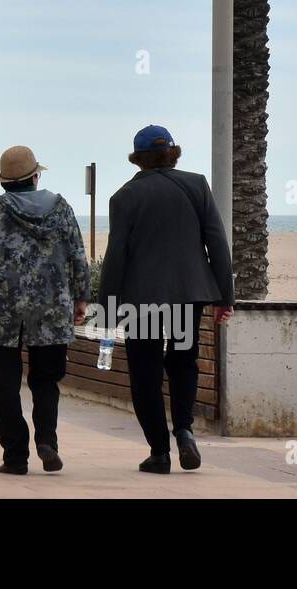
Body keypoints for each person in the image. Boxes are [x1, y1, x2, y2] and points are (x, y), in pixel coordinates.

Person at [95, 125, 234, 475]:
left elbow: (116, 257)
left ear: (138, 159)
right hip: (189, 295)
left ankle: (159, 451)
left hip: (143, 301)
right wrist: (224, 298)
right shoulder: (197, 185)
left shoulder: (124, 197)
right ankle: (184, 430)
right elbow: (216, 242)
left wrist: (107, 309)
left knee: (145, 373)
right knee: (184, 362)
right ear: (173, 153)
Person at [0, 146, 90, 476]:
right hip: (52, 311)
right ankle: (47, 441)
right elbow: (78, 258)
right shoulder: (62, 209)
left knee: (5, 385)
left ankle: (16, 457)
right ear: (35, 177)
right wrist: (80, 299)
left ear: (4, 183)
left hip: (4, 313)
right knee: (46, 380)